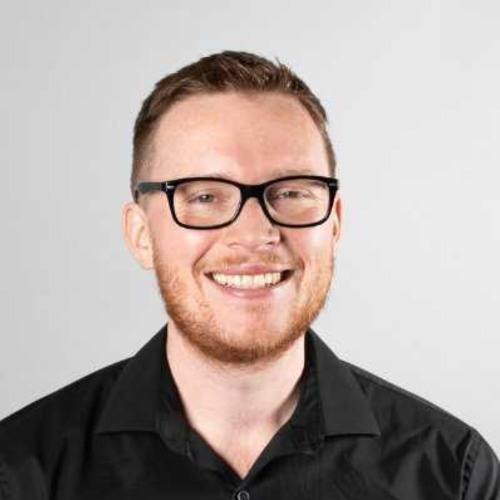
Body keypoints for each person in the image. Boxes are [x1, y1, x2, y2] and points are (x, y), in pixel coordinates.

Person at [0, 50, 498, 500]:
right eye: (204, 196)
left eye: (292, 192)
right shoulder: (21, 472)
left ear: (335, 224)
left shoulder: (452, 474)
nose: (256, 233)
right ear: (141, 234)